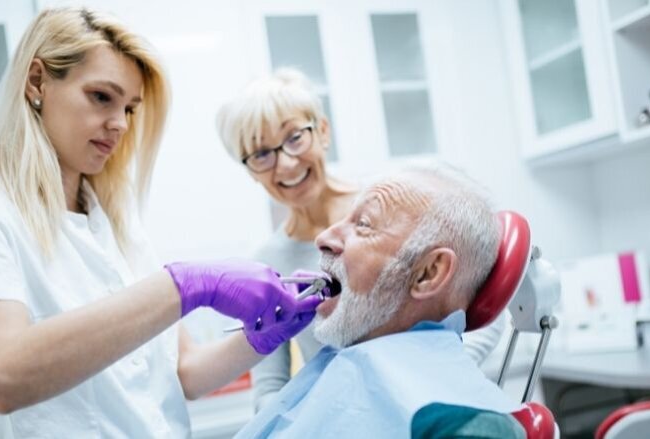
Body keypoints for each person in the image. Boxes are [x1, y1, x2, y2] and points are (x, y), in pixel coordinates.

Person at [0, 8, 320, 437]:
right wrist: (187, 285)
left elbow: (185, 372)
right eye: (101, 97)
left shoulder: (117, 223)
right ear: (37, 82)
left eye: (130, 108)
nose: (119, 124)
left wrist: (266, 335)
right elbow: (2, 374)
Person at [215, 68, 506, 412]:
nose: (286, 164)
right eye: (262, 154)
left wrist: (433, 381)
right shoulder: (267, 262)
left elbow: (484, 293)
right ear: (249, 169)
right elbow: (270, 385)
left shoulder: (397, 204)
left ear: (322, 130)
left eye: (294, 137)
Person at [234, 165, 520, 438]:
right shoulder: (346, 369)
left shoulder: (465, 425)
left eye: (364, 224)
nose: (323, 238)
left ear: (428, 273)